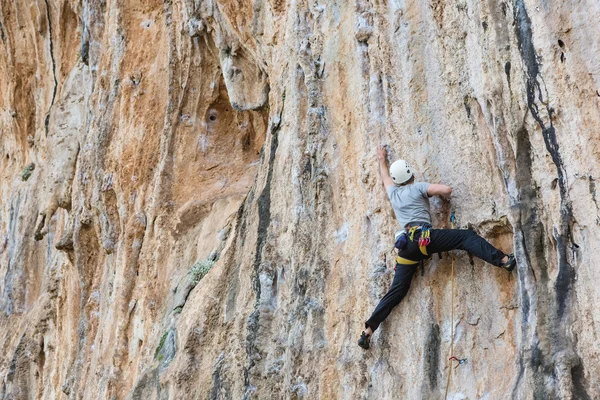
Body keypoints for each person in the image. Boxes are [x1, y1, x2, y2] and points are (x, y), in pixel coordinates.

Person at [358, 146, 516, 350]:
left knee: (396, 290)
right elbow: (446, 189)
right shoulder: (417, 187)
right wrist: (440, 197)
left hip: (406, 248)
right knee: (464, 237)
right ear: (411, 174)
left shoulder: (394, 194)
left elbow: (385, 177)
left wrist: (382, 159)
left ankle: (368, 330)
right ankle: (504, 260)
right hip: (425, 239)